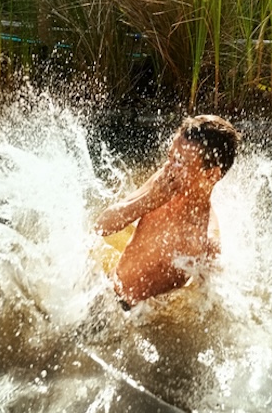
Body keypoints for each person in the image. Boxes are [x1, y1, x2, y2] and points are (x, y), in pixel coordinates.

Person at [94, 114, 240, 307]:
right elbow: (101, 226)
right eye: (171, 157)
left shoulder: (205, 242)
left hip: (130, 316)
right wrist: (148, 201)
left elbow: (210, 311)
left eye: (181, 162)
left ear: (211, 175)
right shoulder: (164, 183)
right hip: (104, 288)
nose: (169, 167)